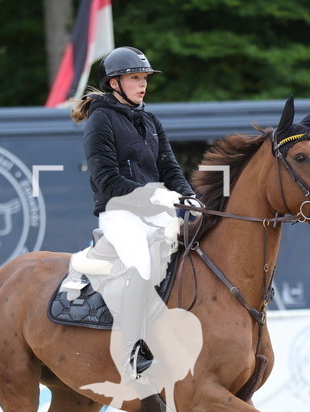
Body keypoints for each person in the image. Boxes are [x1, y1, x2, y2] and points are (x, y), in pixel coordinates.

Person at [67, 46, 202, 389]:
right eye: (135, 78)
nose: (142, 85)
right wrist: (156, 195)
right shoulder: (100, 120)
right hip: (119, 215)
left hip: (155, 214)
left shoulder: (150, 120)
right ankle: (131, 354)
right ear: (115, 83)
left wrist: (188, 196)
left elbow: (170, 167)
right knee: (141, 266)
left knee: (196, 254)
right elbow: (107, 180)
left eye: (144, 78)